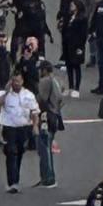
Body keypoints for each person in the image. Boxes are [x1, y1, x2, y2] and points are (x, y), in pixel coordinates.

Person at [0, 71, 39, 194]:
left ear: (22, 81)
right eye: (14, 81)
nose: (16, 84)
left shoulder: (28, 95)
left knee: (19, 152)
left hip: (23, 128)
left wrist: (35, 126)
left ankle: (16, 180)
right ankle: (12, 182)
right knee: (11, 152)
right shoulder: (5, 94)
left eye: (18, 81)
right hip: (9, 128)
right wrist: (6, 92)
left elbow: (34, 112)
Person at [35, 59, 63, 188]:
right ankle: (50, 177)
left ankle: (47, 178)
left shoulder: (45, 81)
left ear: (45, 70)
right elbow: (61, 100)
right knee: (48, 147)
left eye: (41, 69)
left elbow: (41, 99)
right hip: (55, 116)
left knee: (44, 149)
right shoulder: (56, 81)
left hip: (46, 117)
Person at [60, 0, 88, 98]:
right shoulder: (69, 16)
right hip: (68, 44)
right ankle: (70, 86)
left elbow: (83, 34)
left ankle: (77, 88)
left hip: (77, 45)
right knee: (69, 66)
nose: (70, 7)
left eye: (72, 5)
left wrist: (80, 46)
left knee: (76, 66)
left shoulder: (82, 18)